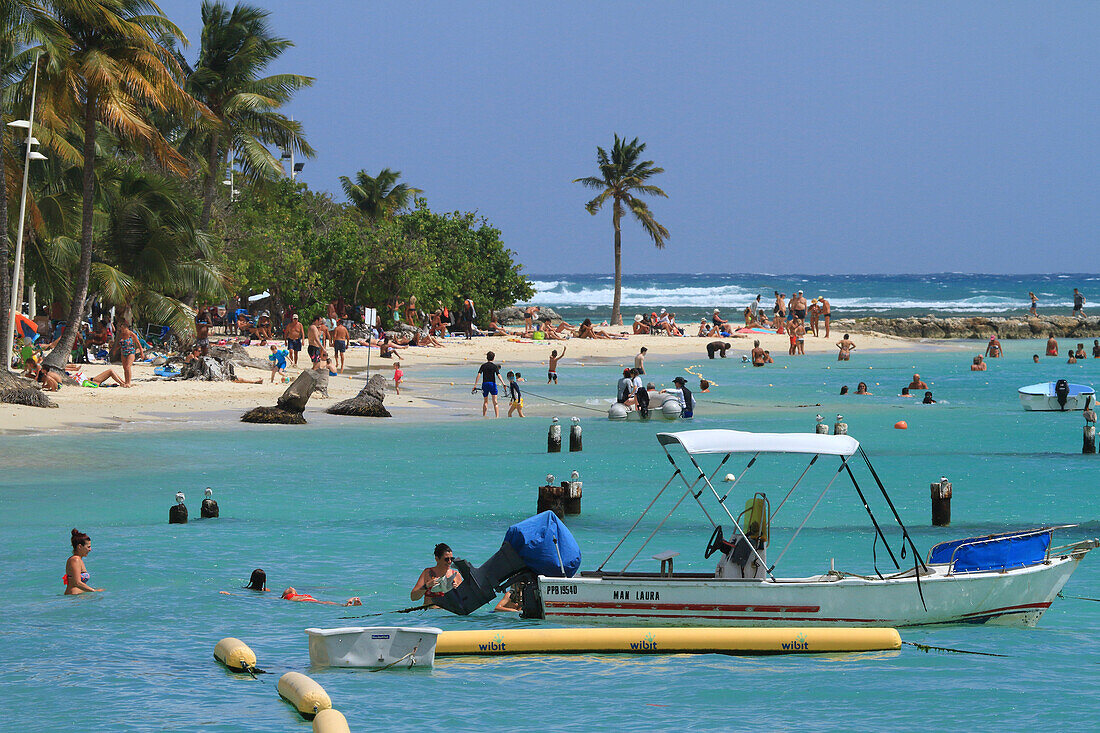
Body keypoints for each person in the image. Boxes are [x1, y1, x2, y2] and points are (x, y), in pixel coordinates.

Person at [64, 529, 103, 595]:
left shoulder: (79, 560)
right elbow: (77, 583)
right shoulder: (75, 560)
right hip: (73, 598)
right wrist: (94, 591)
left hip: (78, 597)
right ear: (80, 546)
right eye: (88, 547)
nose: (90, 549)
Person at [473, 351, 502, 417]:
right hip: (492, 384)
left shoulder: (483, 366)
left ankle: (484, 416)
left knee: (485, 401)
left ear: (487, 357)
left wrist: (475, 385)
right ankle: (497, 417)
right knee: (495, 401)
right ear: (493, 358)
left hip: (485, 384)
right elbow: (498, 375)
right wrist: (503, 383)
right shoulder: (494, 366)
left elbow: (479, 375)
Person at [115, 321, 144, 387]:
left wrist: (142, 353)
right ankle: (126, 381)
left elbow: (138, 344)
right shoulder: (121, 335)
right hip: (123, 352)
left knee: (128, 367)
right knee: (125, 368)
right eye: (121, 329)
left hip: (131, 352)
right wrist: (115, 350)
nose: (121, 330)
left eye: (122, 328)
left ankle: (128, 382)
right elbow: (120, 344)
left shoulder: (132, 334)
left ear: (126, 328)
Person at [281, 587, 361, 606]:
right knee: (322, 602)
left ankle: (344, 605)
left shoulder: (287, 597)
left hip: (304, 599)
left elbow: (290, 589)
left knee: (323, 602)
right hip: (307, 597)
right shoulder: (294, 594)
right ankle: (345, 604)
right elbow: (291, 589)